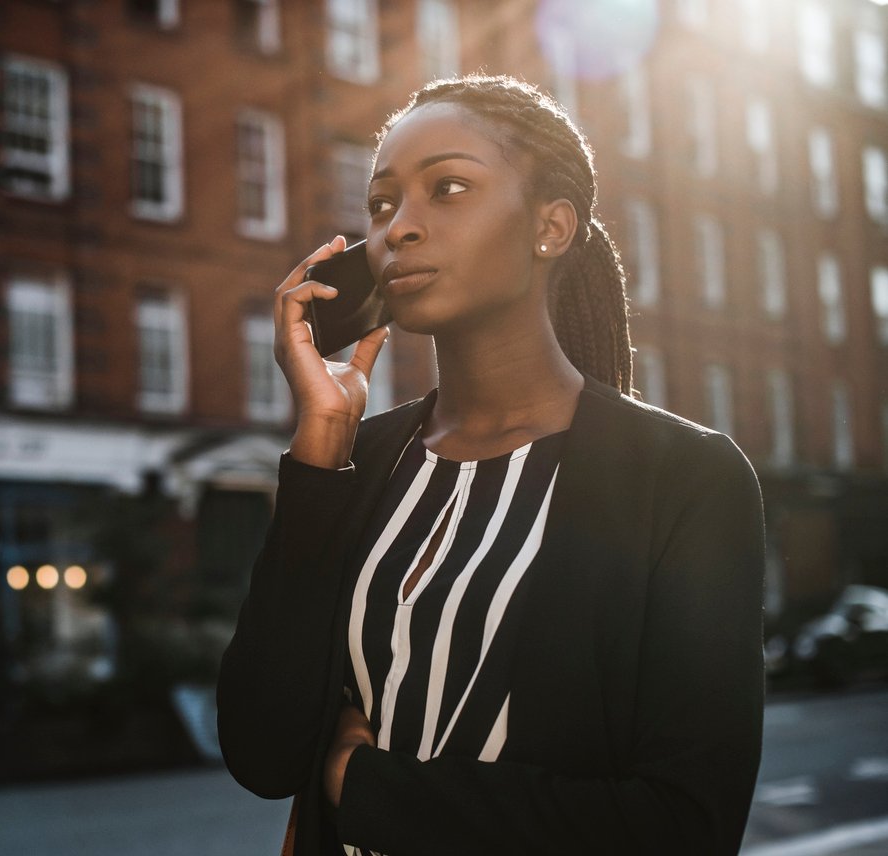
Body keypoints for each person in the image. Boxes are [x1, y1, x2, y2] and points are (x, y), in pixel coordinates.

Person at [216, 74, 765, 856]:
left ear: (551, 228)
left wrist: (360, 784)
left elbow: (682, 827)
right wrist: (320, 442)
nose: (399, 228)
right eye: (381, 204)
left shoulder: (682, 478)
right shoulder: (358, 460)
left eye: (447, 189)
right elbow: (261, 753)